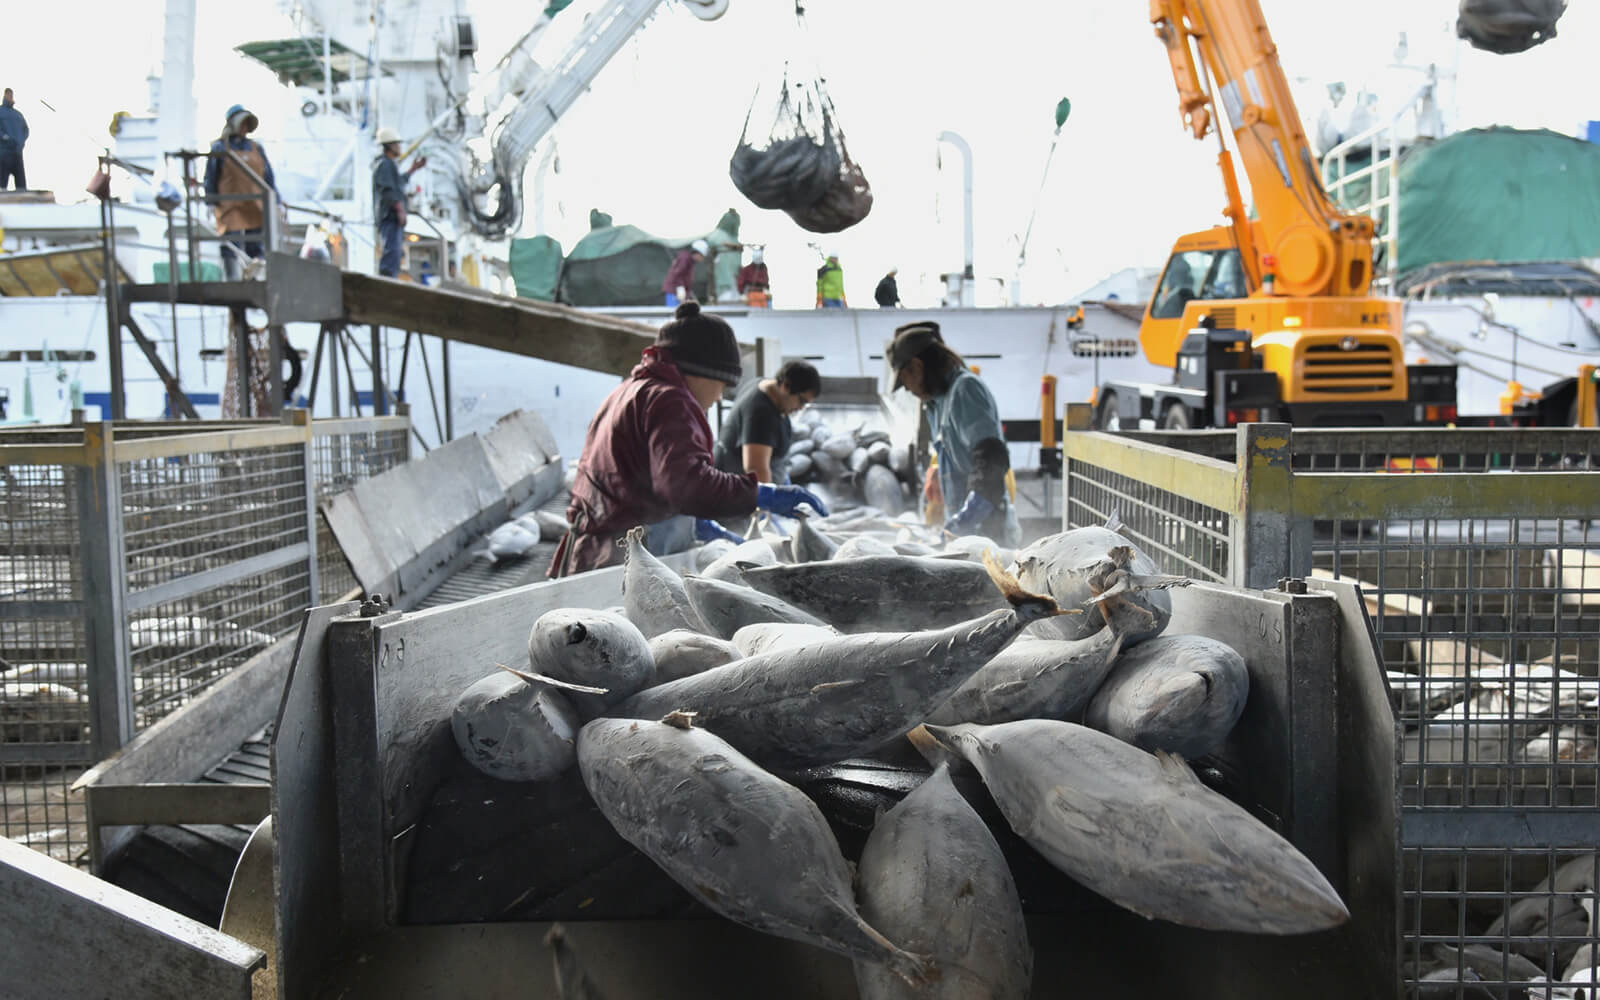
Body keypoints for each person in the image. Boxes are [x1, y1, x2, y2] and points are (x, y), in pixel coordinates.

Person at [550, 302, 828, 577]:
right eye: (721, 385)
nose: (720, 396)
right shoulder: (670, 401)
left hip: (602, 546)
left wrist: (695, 525)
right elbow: (686, 486)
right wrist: (762, 494)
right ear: (703, 372)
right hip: (622, 556)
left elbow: (652, 478)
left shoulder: (634, 388)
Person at [887, 321, 1021, 546]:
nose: (908, 390)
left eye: (905, 381)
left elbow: (991, 462)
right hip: (966, 535)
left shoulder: (965, 390)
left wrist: (964, 521)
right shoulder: (936, 402)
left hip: (988, 533)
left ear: (917, 368)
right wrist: (937, 468)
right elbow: (954, 445)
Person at [713, 360, 821, 484]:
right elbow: (756, 470)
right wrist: (770, 500)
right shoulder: (761, 413)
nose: (801, 407)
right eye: (801, 401)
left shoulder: (763, 384)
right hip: (736, 489)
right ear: (786, 386)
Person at [204, 104, 278, 279]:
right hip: (230, 204)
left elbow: (268, 176)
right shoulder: (220, 148)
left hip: (255, 203)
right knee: (231, 244)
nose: (245, 128)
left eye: (247, 124)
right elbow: (211, 176)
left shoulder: (256, 148)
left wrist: (277, 200)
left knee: (256, 244)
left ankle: (256, 276)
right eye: (242, 123)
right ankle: (233, 277)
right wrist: (210, 201)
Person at [373, 127, 426, 278]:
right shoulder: (385, 165)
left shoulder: (388, 165)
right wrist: (400, 209)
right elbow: (388, 190)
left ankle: (389, 278)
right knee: (393, 250)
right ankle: (387, 281)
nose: (400, 147)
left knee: (395, 251)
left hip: (391, 217)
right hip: (390, 217)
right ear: (390, 146)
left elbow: (398, 183)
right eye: (397, 144)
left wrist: (413, 169)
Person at [663, 239, 708, 306]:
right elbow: (677, 274)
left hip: (679, 292)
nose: (702, 259)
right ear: (698, 253)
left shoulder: (690, 261)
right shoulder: (685, 259)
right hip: (674, 291)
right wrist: (680, 288)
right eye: (702, 256)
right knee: (674, 312)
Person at [0, 88, 28, 191]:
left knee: (21, 187)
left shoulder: (18, 115)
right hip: (3, 153)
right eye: (8, 95)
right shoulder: (0, 112)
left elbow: (26, 130)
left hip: (17, 153)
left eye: (11, 95)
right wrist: (4, 137)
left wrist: (21, 142)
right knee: (2, 186)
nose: (10, 97)